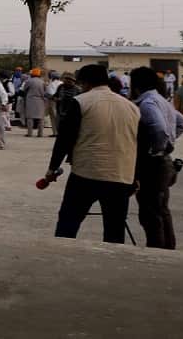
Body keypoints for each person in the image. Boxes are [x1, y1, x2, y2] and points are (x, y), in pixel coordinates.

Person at [46, 64, 140, 244]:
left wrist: (52, 169)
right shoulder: (131, 107)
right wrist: (136, 176)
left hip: (86, 174)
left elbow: (65, 139)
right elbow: (138, 144)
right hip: (120, 176)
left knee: (68, 221)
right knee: (115, 228)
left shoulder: (81, 101)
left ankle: (61, 252)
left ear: (85, 82)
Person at [130, 67, 183, 249]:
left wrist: (157, 149)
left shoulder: (147, 103)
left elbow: (159, 128)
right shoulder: (161, 100)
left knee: (150, 211)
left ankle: (156, 250)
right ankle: (167, 248)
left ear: (136, 85)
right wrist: (169, 142)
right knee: (161, 209)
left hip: (153, 164)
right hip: (164, 162)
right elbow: (182, 123)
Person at [23, 68, 47, 137]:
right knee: (40, 118)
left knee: (30, 118)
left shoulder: (29, 81)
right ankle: (40, 134)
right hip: (40, 100)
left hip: (30, 100)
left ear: (32, 74)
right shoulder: (42, 82)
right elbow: (45, 91)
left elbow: (25, 90)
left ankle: (30, 133)